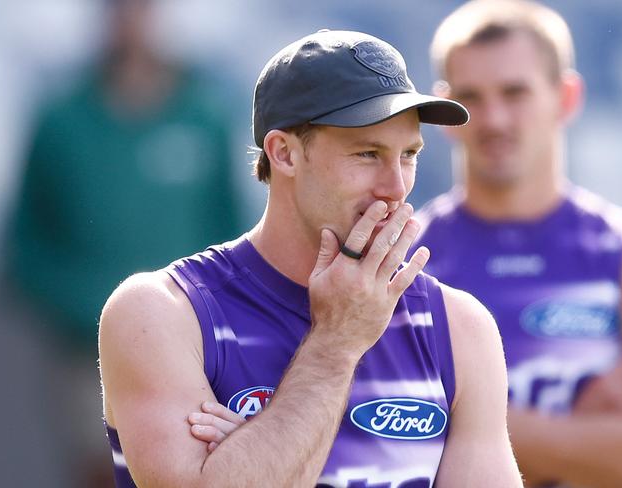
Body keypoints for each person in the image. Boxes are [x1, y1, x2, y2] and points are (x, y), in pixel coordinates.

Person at [99, 29, 523, 487]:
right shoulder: (161, 312)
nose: (396, 188)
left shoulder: (457, 327)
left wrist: (256, 456)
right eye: (367, 154)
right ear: (284, 153)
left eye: (408, 155)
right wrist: (336, 342)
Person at [3, 0, 245, 486]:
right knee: (106, 470)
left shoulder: (203, 117)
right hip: (85, 350)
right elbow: (24, 248)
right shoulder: (62, 121)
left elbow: (231, 238)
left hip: (190, 347)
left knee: (192, 467)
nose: (131, 19)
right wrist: (86, 306)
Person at [409, 1, 622, 487]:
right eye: (471, 97)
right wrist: (578, 428)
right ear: (445, 110)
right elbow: (386, 436)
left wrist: (458, 416)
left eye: (515, 93)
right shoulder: (409, 261)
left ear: (567, 96)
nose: (493, 119)